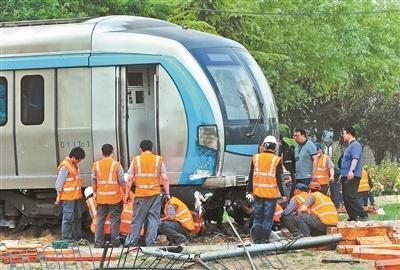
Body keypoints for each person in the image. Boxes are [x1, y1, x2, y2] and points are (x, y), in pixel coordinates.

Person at [124, 140, 170, 247]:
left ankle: (132, 244)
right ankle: (150, 244)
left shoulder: (136, 160)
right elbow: (165, 178)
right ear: (152, 149)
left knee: (137, 220)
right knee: (154, 219)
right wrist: (167, 194)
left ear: (141, 149)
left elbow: (130, 178)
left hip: (141, 195)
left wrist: (126, 194)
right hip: (155, 194)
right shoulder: (158, 160)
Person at [246, 136, 287, 244]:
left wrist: (248, 190)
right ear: (274, 147)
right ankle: (264, 241)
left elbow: (251, 176)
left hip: (258, 193)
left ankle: (256, 240)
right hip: (271, 194)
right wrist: (283, 194)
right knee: (267, 219)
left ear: (264, 146)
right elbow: (279, 179)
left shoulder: (256, 158)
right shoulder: (276, 160)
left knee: (257, 218)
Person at [92, 144, 126, 248]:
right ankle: (115, 242)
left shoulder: (96, 165)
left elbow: (93, 181)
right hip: (114, 198)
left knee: (100, 220)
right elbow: (122, 182)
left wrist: (96, 192)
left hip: (101, 198)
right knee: (114, 220)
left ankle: (98, 243)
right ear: (112, 152)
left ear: (102, 153)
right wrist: (125, 194)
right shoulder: (116, 165)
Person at [55, 147, 85, 241]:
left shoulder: (74, 165)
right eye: (79, 159)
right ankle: (66, 239)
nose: (79, 161)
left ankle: (77, 238)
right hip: (68, 197)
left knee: (77, 217)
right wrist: (58, 197)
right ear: (74, 157)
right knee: (68, 218)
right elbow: (59, 184)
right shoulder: (65, 166)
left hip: (75, 196)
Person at [340, 127, 368, 221]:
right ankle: (353, 217)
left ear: (349, 134)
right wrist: (342, 174)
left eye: (344, 133)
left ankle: (363, 214)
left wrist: (351, 170)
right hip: (345, 175)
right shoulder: (349, 146)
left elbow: (355, 159)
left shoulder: (355, 145)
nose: (343, 136)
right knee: (345, 196)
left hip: (352, 175)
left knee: (350, 195)